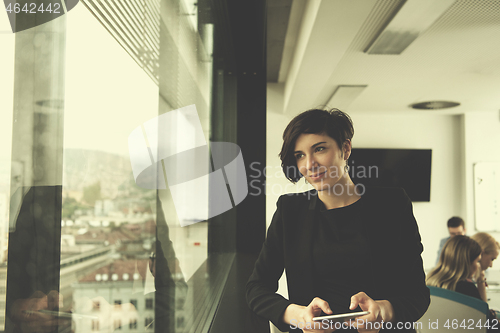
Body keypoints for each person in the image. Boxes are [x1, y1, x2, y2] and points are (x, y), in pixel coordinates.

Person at [246, 109, 430, 333]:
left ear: (345, 148)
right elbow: (256, 288)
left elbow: (417, 294)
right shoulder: (290, 210)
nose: (309, 164)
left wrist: (382, 310)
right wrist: (298, 315)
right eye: (300, 155)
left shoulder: (392, 205)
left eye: (319, 149)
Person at [427, 235, 483, 300]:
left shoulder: (430, 280)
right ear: (467, 263)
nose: (479, 266)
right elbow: (483, 309)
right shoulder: (467, 289)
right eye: (478, 261)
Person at [471, 232, 500, 299]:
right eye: (492, 259)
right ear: (481, 254)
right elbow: (482, 307)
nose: (491, 265)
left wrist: (481, 277)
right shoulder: (466, 283)